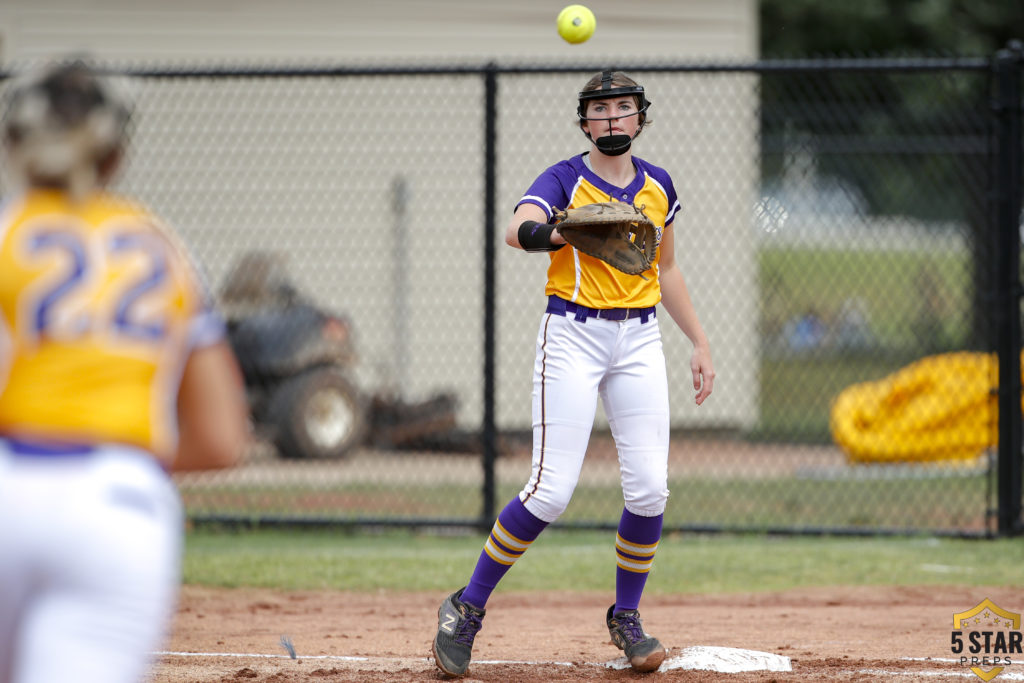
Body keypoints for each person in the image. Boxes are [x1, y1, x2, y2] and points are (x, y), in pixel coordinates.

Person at [431, 70, 715, 675]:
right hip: (573, 337)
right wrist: (559, 230)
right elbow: (516, 229)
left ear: (640, 116)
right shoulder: (564, 177)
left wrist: (700, 341)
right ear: (584, 120)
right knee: (550, 491)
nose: (613, 118)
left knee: (650, 489)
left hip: (639, 340)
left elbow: (666, 271)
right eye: (601, 109)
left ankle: (627, 618)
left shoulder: (659, 184)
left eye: (623, 107)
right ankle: (466, 607)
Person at [0, 59, 249, 683]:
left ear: (17, 143)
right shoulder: (163, 248)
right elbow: (220, 439)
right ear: (115, 153)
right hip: (119, 508)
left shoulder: (6, 235)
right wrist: (119, 460)